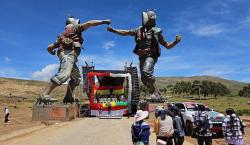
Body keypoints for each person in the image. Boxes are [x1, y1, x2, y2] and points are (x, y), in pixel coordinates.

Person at [107, 10, 181, 99]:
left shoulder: (157, 31)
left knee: (146, 72)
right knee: (143, 79)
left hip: (151, 56)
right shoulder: (139, 30)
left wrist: (176, 42)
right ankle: (157, 93)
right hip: (142, 56)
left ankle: (154, 93)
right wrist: (113, 30)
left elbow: (167, 45)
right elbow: (125, 32)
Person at [40, 16, 111, 104]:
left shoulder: (63, 35)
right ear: (74, 23)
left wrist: (52, 52)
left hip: (70, 57)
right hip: (68, 55)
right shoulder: (75, 28)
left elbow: (49, 47)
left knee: (76, 78)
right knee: (64, 74)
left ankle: (68, 97)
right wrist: (103, 21)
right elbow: (89, 23)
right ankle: (44, 95)